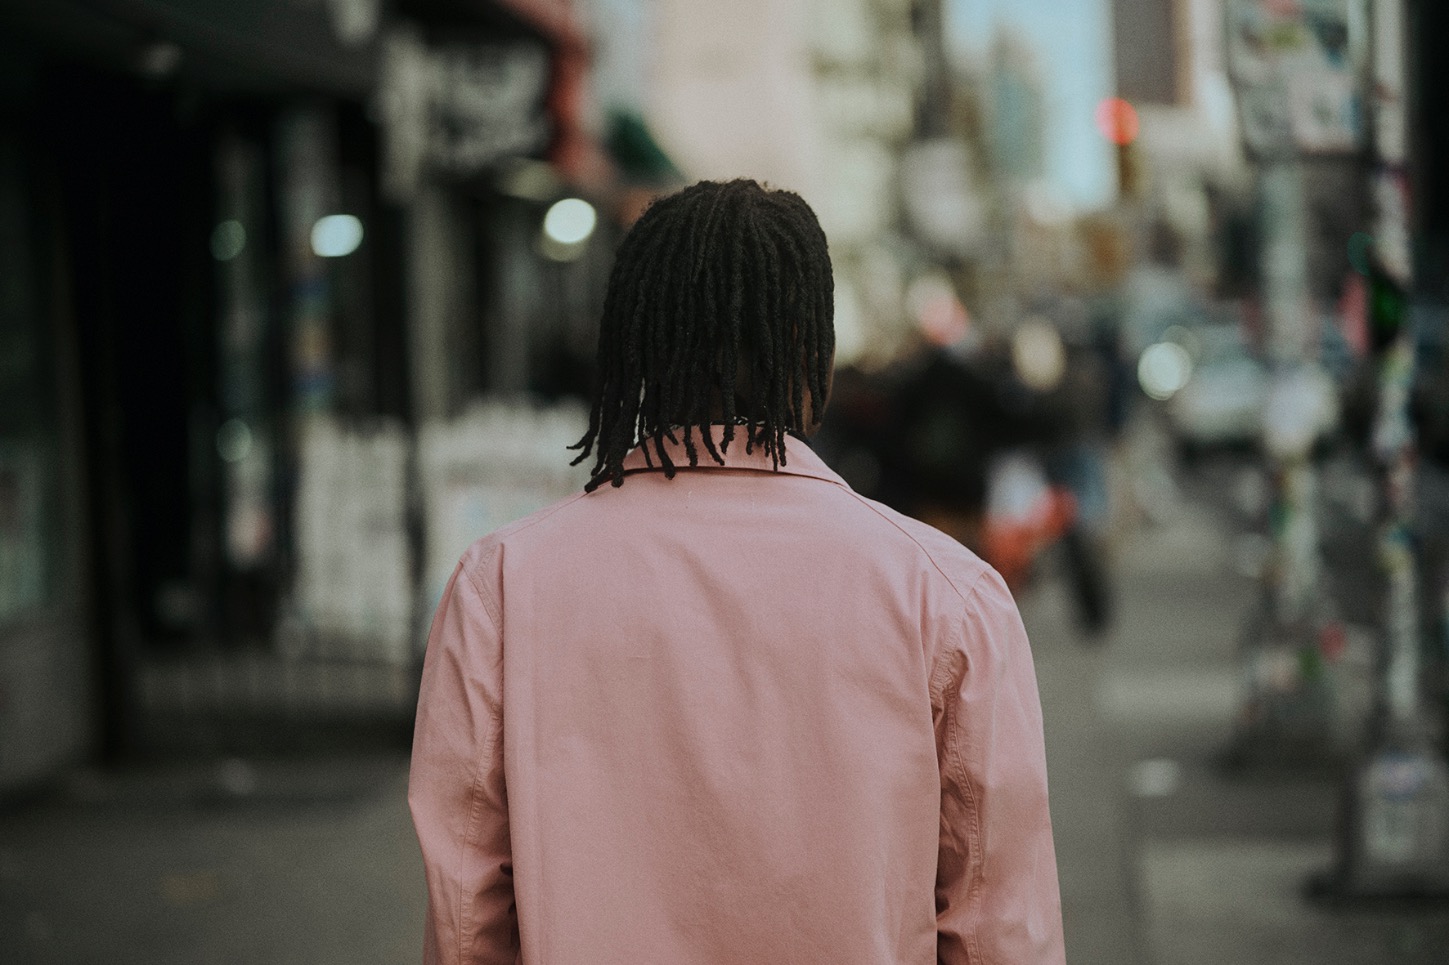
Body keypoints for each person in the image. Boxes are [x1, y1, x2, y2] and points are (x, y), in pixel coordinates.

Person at [408, 179, 1065, 965]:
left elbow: (464, 915)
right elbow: (997, 921)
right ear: (812, 351)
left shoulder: (502, 584)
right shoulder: (947, 595)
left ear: (633, 347)